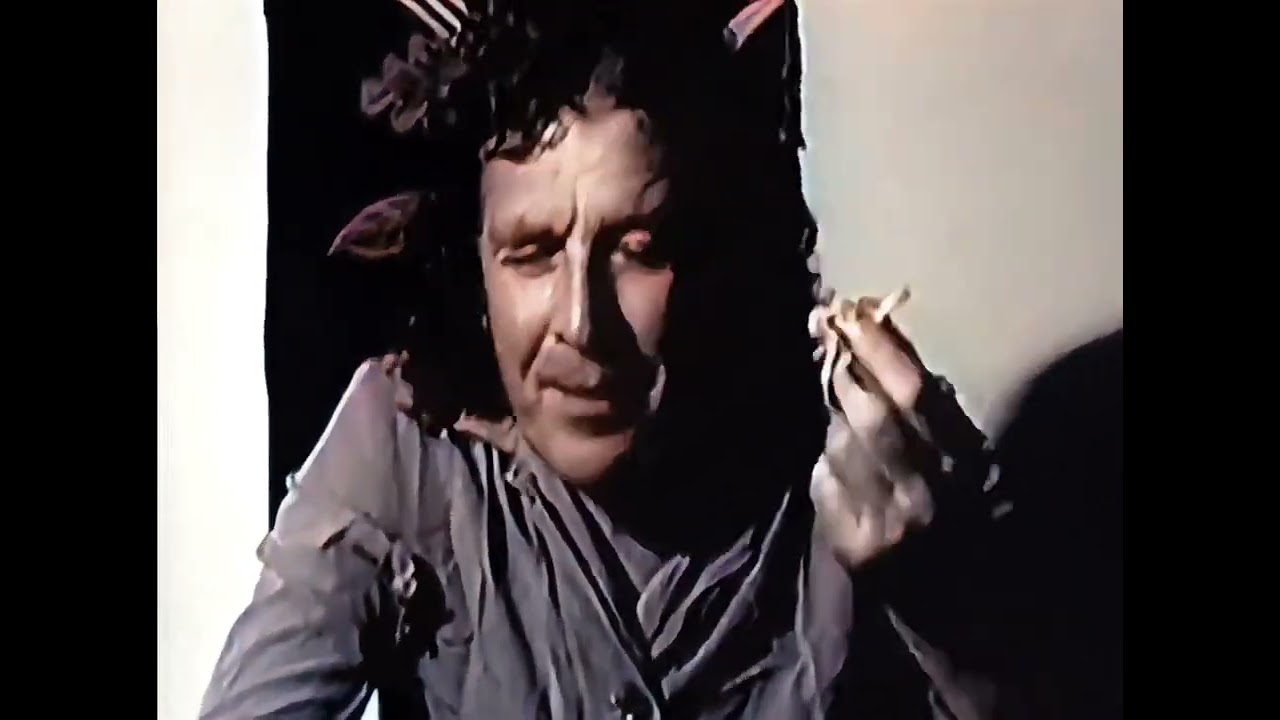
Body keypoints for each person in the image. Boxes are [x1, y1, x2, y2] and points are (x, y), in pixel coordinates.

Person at [201, 1, 1019, 717]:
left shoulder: (870, 452)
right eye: (532, 253)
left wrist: (948, 612)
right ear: (473, 266)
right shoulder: (404, 441)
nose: (580, 324)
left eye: (639, 248)